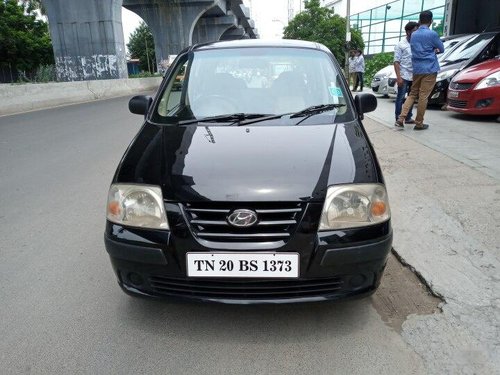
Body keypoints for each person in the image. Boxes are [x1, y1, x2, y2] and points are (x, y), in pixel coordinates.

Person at [395, 10, 444, 130]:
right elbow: (441, 49)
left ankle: (401, 118)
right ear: (431, 21)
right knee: (423, 96)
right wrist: (433, 50)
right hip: (429, 68)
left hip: (416, 69)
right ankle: (419, 123)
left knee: (412, 94)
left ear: (420, 20)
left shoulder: (414, 34)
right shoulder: (432, 34)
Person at [394, 21, 419, 127]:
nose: (416, 33)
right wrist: (399, 77)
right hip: (404, 75)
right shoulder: (401, 45)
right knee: (400, 97)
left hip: (414, 76)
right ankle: (398, 118)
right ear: (408, 32)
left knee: (411, 97)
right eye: (414, 31)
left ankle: (408, 117)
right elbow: (396, 62)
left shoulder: (417, 43)